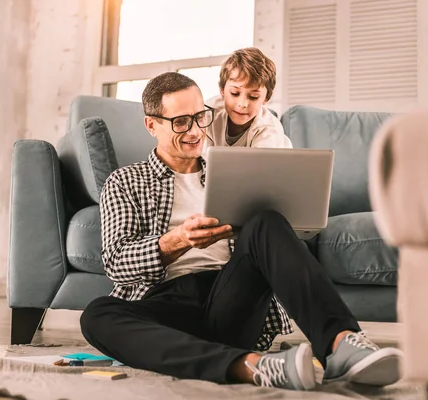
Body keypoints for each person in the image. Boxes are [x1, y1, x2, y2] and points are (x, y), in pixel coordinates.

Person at [80, 72, 403, 391]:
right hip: (164, 304)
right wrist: (178, 241)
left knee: (267, 221)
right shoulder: (125, 182)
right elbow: (117, 263)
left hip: (231, 297)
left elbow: (272, 241)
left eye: (200, 117)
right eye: (181, 122)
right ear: (152, 125)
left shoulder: (234, 170)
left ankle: (341, 345)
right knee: (97, 315)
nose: (195, 131)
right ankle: (252, 367)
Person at [204, 47, 292, 149]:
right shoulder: (207, 114)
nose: (242, 104)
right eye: (235, 93)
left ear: (266, 98)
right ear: (222, 90)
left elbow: (260, 164)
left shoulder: (269, 129)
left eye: (253, 97)